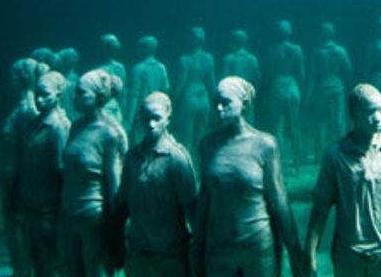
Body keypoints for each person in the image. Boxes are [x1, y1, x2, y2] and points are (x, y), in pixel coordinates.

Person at [304, 84, 381, 277]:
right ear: (354, 114)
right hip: (349, 255)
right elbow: (321, 207)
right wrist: (310, 252)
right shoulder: (336, 155)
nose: (377, 117)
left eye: (380, 110)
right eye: (369, 111)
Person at [193, 77, 302, 277]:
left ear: (244, 104)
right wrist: (196, 251)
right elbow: (204, 201)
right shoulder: (207, 145)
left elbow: (279, 201)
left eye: (226, 103)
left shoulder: (264, 145)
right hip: (218, 247)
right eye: (216, 102)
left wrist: (294, 251)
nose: (219, 108)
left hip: (258, 246)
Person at [115, 92, 197, 277]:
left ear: (168, 118)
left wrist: (197, 257)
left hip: (170, 257)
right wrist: (116, 245)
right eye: (146, 118)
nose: (150, 124)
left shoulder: (177, 158)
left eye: (156, 118)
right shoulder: (132, 158)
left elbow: (191, 209)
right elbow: (122, 207)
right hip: (137, 255)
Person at [59, 68, 127, 277]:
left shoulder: (110, 134)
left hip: (93, 217)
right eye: (76, 92)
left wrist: (113, 232)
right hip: (68, 214)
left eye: (81, 93)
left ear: (98, 97)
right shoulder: (75, 127)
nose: (75, 97)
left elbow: (114, 187)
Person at [0, 58, 49, 277]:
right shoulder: (24, 107)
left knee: (23, 245)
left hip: (20, 188)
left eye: (12, 76)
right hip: (15, 185)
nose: (9, 80)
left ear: (21, 78)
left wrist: (14, 187)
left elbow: (30, 153)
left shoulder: (28, 110)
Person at [17, 71, 72, 277]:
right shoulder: (34, 124)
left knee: (48, 262)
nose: (39, 100)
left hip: (47, 209)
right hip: (31, 204)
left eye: (45, 95)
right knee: (37, 262)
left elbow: (61, 170)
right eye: (37, 94)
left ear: (58, 94)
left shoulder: (58, 127)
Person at [306, 22, 353, 159]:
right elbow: (348, 71)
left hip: (322, 88)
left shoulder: (318, 52)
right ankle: (341, 151)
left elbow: (313, 75)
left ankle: (320, 153)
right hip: (338, 87)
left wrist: (308, 95)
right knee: (339, 121)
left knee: (321, 121)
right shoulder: (341, 51)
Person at [265, 20, 306, 166]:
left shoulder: (272, 51)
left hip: (278, 86)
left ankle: (278, 161)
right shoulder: (297, 50)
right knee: (295, 124)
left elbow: (269, 73)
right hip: (293, 86)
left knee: (278, 125)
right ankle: (297, 160)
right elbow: (301, 73)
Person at [175, 27, 216, 164]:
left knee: (186, 134)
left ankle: (186, 166)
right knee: (201, 135)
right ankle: (201, 166)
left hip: (189, 95)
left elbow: (181, 83)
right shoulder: (209, 58)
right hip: (203, 96)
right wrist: (216, 101)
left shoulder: (185, 59)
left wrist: (174, 100)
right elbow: (212, 84)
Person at [127, 36, 170, 134]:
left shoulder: (138, 68)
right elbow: (166, 89)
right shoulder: (161, 67)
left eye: (139, 47)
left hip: (142, 111)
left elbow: (134, 95)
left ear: (144, 49)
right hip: (157, 109)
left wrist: (128, 119)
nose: (137, 50)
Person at [222, 29, 262, 124]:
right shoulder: (252, 59)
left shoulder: (229, 59)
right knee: (248, 122)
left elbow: (224, 79)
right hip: (247, 93)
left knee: (232, 122)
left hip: (233, 93)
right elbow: (257, 78)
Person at [99, 34, 127, 122]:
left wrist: (123, 109)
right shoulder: (96, 67)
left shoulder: (119, 67)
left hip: (115, 107)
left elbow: (123, 91)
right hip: (100, 107)